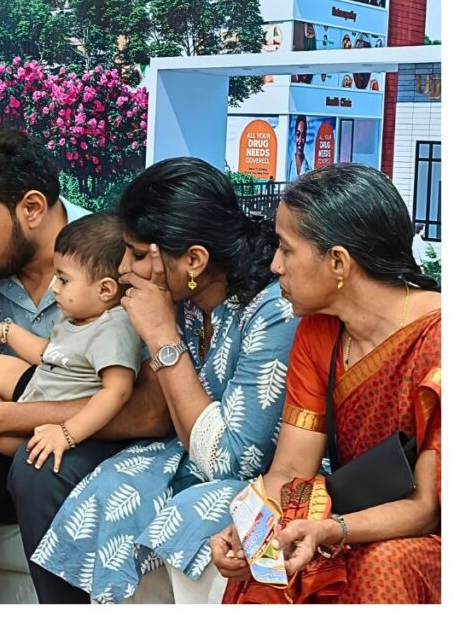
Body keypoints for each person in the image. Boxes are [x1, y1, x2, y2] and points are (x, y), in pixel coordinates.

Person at [0, 127, 171, 604]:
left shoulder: (111, 256)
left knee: (36, 465)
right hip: (17, 435)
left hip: (96, 442)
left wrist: (0, 418)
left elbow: (146, 411)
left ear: (32, 208)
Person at [34, 157, 299, 603]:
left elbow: (235, 464)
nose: (122, 269)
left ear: (194, 259)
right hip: (182, 451)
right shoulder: (186, 299)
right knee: (71, 478)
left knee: (174, 508)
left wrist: (161, 337)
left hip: (259, 476)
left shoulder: (273, 313)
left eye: (138, 255)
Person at [213, 163, 441, 603]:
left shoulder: (437, 338)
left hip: (425, 533)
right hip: (352, 521)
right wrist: (251, 528)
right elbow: (289, 471)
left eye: (286, 249)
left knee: (383, 566)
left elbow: (428, 509)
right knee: (265, 571)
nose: (275, 266)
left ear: (338, 262)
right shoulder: (319, 331)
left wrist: (329, 529)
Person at [0, 213, 141, 474]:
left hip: (53, 424)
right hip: (39, 394)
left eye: (64, 280)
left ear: (105, 289)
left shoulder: (113, 330)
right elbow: (48, 353)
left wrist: (67, 434)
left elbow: (116, 393)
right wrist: (7, 332)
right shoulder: (76, 317)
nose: (54, 287)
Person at [288, 114, 309, 181]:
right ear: (294, 136)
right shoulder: (288, 166)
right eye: (298, 134)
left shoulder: (309, 169)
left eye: (303, 136)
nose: (300, 140)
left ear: (305, 138)